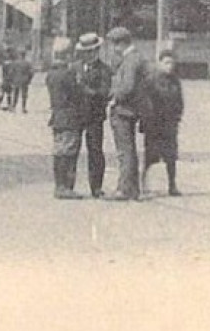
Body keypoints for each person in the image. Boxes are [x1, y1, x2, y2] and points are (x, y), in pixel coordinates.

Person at [105, 27, 150, 201]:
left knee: (125, 152)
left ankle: (124, 189)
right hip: (131, 110)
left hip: (124, 110)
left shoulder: (131, 60)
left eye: (113, 45)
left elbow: (128, 86)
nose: (112, 49)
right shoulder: (135, 58)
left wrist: (114, 97)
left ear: (121, 43)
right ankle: (132, 189)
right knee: (128, 150)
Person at [44, 39, 85, 199]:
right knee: (69, 152)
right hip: (70, 117)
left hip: (57, 116)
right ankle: (66, 187)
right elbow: (77, 94)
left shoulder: (51, 74)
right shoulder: (68, 75)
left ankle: (59, 185)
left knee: (59, 151)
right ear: (67, 54)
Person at [72, 33, 112, 199]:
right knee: (72, 150)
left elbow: (105, 92)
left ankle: (96, 187)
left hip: (94, 116)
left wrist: (84, 89)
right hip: (76, 115)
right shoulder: (75, 67)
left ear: (97, 51)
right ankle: (68, 185)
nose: (88, 55)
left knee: (95, 151)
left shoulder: (104, 70)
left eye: (91, 51)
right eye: (85, 52)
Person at [141, 48, 185, 197]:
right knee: (150, 156)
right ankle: (143, 182)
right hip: (154, 124)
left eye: (172, 63)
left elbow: (180, 101)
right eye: (166, 63)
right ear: (159, 63)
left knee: (171, 156)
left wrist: (177, 117)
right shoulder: (151, 80)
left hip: (170, 125)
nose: (169, 66)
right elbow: (146, 101)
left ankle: (172, 185)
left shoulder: (175, 81)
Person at [0, 47, 33, 114]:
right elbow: (31, 72)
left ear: (19, 55)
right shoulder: (28, 63)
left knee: (16, 94)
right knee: (24, 95)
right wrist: (29, 79)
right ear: (25, 55)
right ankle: (23, 108)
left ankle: (14, 106)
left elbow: (11, 72)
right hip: (24, 81)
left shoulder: (15, 63)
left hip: (16, 80)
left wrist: (11, 80)